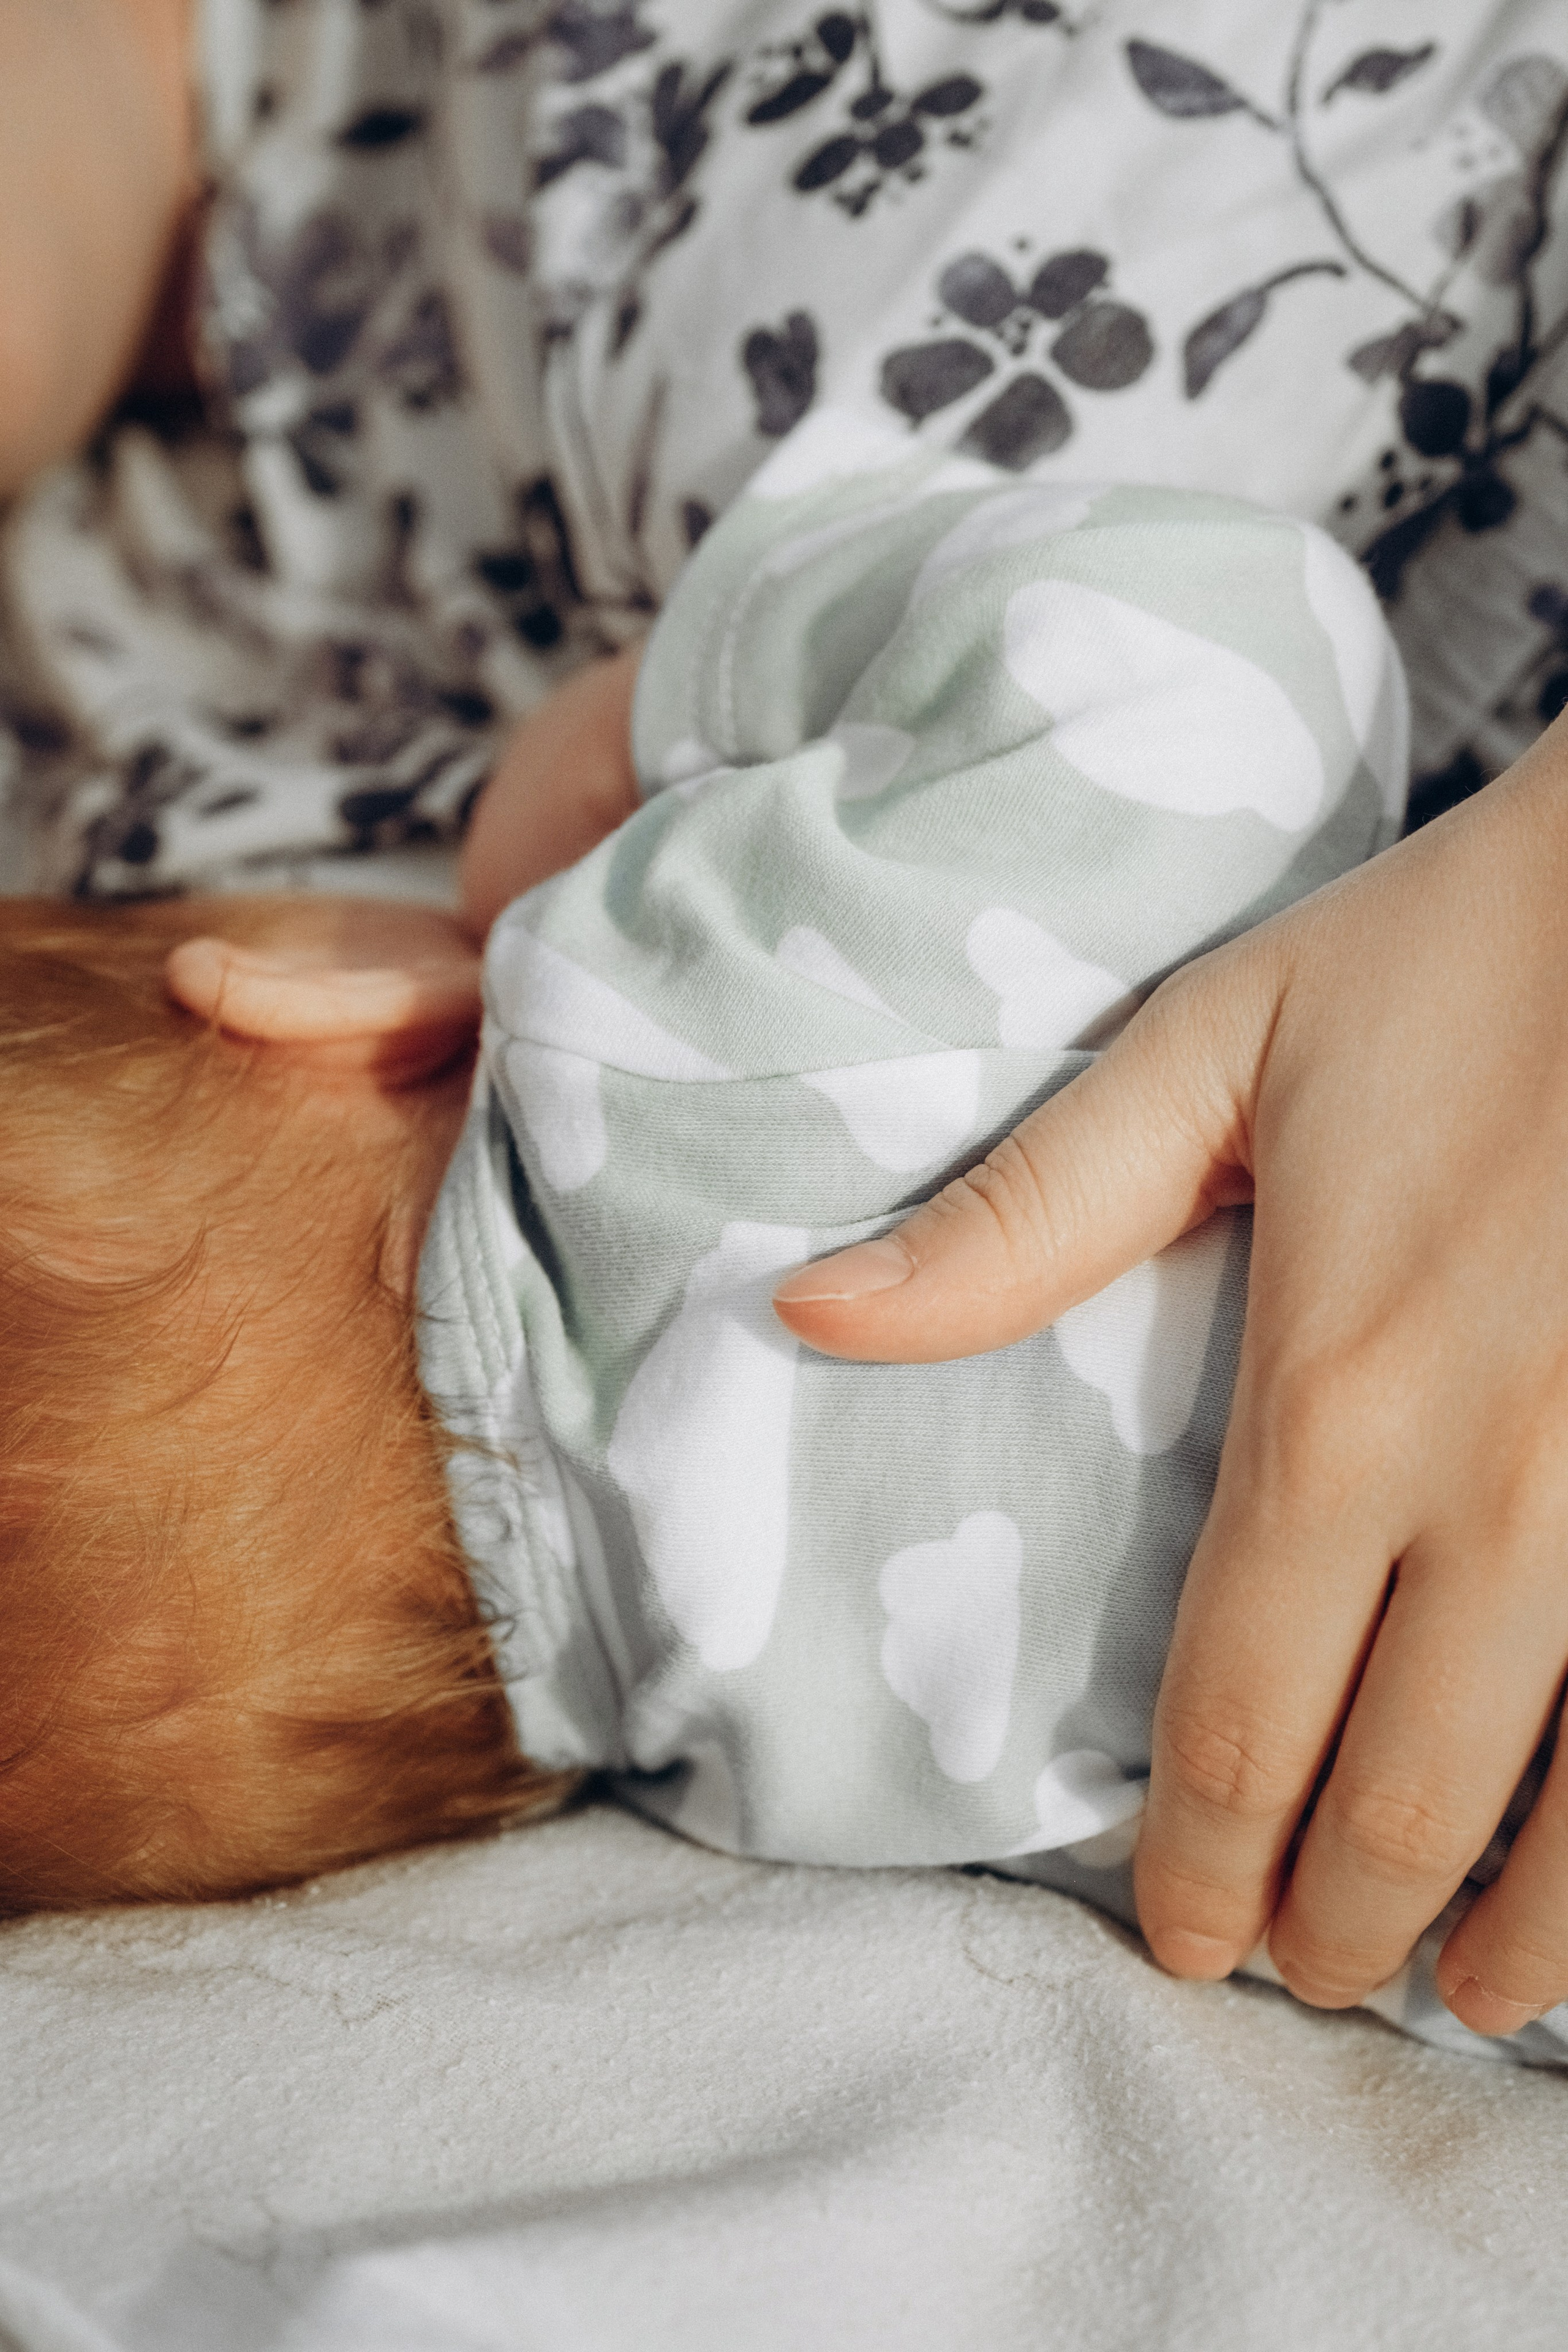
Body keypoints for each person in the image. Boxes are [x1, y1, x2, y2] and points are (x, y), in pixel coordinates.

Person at [3, 0, 1568, 2056]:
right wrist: (662, 713)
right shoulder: (646, 1036)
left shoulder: (778, 1777)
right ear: (338, 1009)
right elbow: (1222, 640)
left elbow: (1424, 1875)